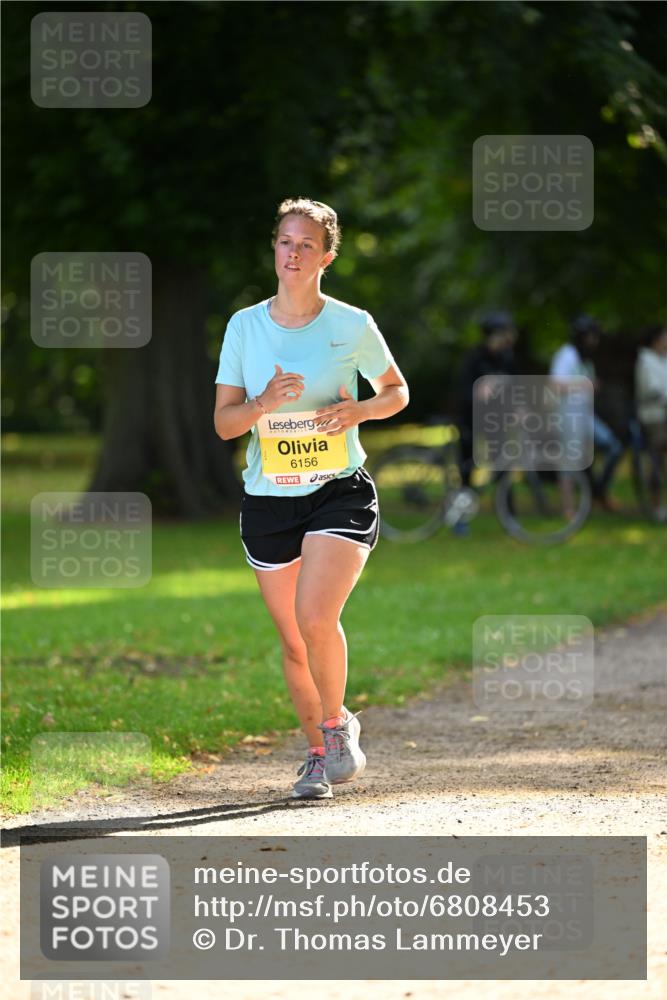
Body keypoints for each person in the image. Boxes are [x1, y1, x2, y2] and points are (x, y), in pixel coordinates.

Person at [213, 197, 409, 800]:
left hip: (338, 491)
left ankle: (336, 729)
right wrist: (264, 402)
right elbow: (224, 423)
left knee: (315, 616)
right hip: (269, 500)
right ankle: (321, 754)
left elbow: (396, 391)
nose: (292, 253)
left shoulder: (351, 324)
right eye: (284, 241)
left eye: (305, 245)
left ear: (326, 257)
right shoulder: (245, 327)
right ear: (274, 249)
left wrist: (359, 410)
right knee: (295, 642)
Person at [550, 315, 623, 511]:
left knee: (612, 447)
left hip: (585, 413)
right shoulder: (566, 354)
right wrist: (584, 384)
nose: (595, 340)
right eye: (592, 335)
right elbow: (556, 386)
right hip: (569, 414)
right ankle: (569, 508)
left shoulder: (585, 359)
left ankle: (598, 493)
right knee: (569, 460)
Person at [457, 310, 517, 488]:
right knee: (467, 460)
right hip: (471, 417)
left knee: (502, 461)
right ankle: (464, 498)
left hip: (494, 419)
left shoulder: (507, 358)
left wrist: (518, 409)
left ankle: (505, 502)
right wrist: (478, 391)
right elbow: (463, 390)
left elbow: (513, 389)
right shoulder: (475, 358)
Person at [634, 324, 667, 515]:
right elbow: (652, 390)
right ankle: (656, 505)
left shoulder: (663, 360)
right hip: (653, 417)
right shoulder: (645, 360)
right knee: (656, 460)